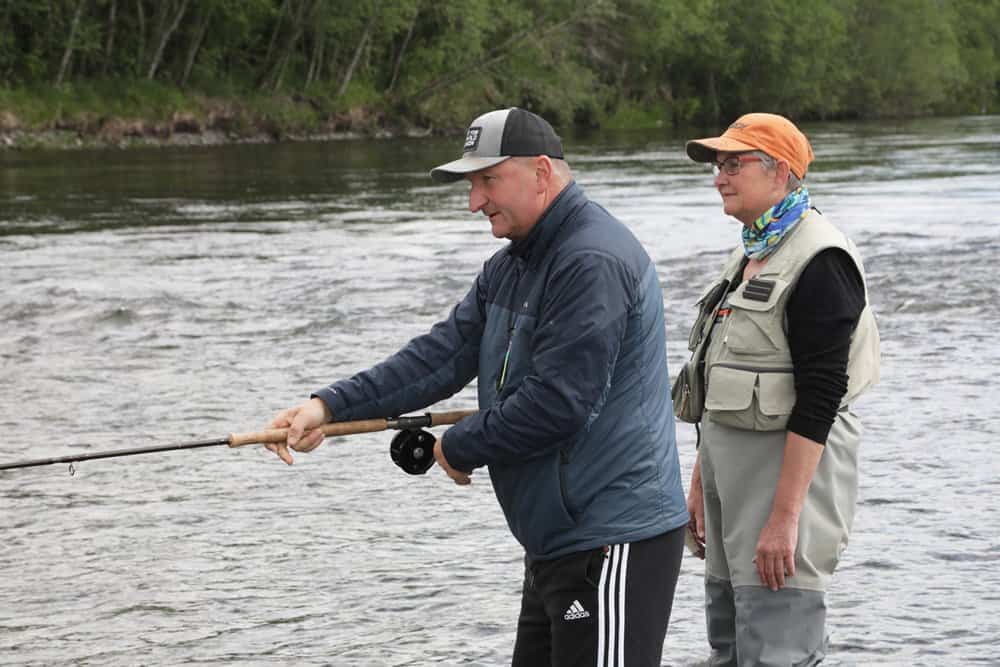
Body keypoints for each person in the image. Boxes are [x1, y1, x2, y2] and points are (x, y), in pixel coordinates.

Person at [265, 107, 689, 666]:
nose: (474, 201)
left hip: (611, 539)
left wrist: (460, 446)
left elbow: (559, 404)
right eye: (471, 184)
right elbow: (438, 358)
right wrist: (328, 405)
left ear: (542, 172)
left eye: (488, 181)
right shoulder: (512, 264)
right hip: (556, 541)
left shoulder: (591, 261)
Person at [678, 113, 880, 666]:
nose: (720, 176)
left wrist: (785, 518)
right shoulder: (750, 252)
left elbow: (820, 396)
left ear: (781, 172)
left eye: (734, 163)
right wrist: (700, 484)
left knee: (779, 653)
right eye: (717, 165)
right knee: (729, 647)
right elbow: (717, 381)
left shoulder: (821, 260)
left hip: (784, 500)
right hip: (731, 496)